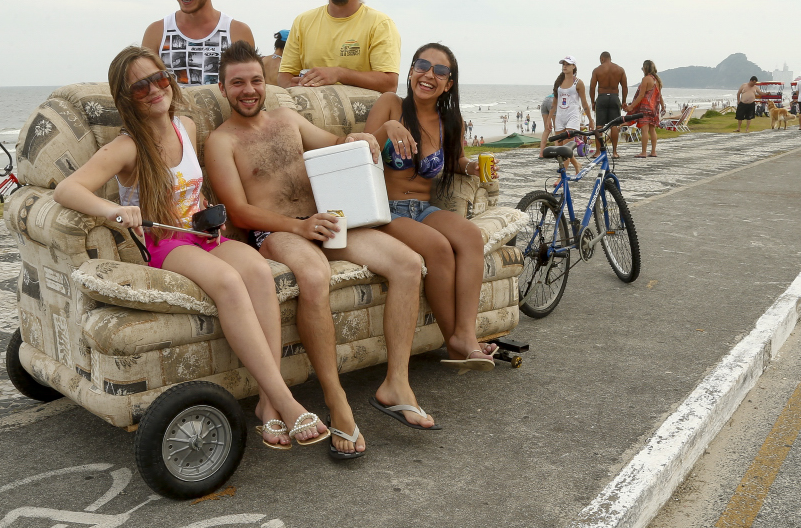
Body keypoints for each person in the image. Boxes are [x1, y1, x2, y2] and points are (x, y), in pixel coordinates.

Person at [53, 45, 326, 451]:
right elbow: (66, 189)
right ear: (126, 98)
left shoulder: (186, 125)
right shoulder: (128, 147)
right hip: (165, 242)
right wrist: (113, 209)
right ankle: (286, 400)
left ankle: (267, 405)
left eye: (159, 78)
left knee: (257, 272)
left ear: (171, 79)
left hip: (202, 233)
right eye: (139, 86)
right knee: (230, 283)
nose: (153, 89)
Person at [206, 40, 436, 458]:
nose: (248, 89)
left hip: (324, 220)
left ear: (267, 82)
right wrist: (298, 225)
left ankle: (396, 383)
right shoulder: (221, 142)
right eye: (237, 83)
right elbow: (238, 212)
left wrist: (367, 135)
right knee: (314, 276)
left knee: (407, 263)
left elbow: (334, 142)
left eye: (256, 80)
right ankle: (337, 401)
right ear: (223, 88)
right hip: (277, 232)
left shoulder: (288, 118)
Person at [366, 42, 498, 377]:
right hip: (384, 211)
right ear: (411, 71)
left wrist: (473, 168)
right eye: (422, 66)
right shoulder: (390, 104)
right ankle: (452, 340)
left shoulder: (450, 121)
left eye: (440, 71)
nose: (429, 75)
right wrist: (387, 129)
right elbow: (359, 149)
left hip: (421, 207)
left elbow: (454, 161)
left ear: (449, 83)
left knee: (469, 236)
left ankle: (465, 334)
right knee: (439, 247)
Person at [278, 0, 401, 93]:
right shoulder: (302, 22)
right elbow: (284, 76)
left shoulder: (380, 24)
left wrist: (339, 74)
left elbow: (389, 84)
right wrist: (294, 84)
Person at [550, 57, 592, 174]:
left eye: (568, 64)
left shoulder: (578, 83)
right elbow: (554, 103)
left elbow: (584, 102)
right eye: (563, 64)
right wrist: (549, 120)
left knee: (566, 147)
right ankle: (577, 164)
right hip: (560, 116)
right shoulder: (559, 82)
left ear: (573, 66)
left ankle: (562, 176)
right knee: (559, 148)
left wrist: (590, 120)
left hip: (572, 116)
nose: (565, 66)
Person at [590, 52, 628, 158]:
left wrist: (593, 101)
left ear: (602, 59)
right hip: (614, 97)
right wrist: (623, 101)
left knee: (599, 126)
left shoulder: (597, 70)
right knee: (614, 125)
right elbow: (624, 87)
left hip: (602, 97)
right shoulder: (620, 69)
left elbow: (592, 87)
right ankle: (615, 152)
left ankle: (598, 152)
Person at [626, 59, 663, 157]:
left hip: (645, 107)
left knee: (644, 130)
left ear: (645, 68)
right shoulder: (657, 80)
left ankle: (643, 152)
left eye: (643, 67)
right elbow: (660, 96)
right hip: (654, 107)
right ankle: (653, 151)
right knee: (652, 129)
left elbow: (641, 95)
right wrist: (662, 106)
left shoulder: (646, 79)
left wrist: (631, 106)